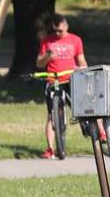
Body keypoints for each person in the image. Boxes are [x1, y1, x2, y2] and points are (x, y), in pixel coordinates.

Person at [35, 12, 86, 159]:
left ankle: (99, 131)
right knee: (51, 114)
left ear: (66, 26)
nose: (57, 34)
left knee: (84, 107)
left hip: (71, 79)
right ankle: (50, 148)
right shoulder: (47, 41)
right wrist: (47, 56)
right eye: (55, 30)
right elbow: (39, 63)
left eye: (60, 31)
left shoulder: (75, 40)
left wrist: (83, 69)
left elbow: (81, 61)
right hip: (53, 80)